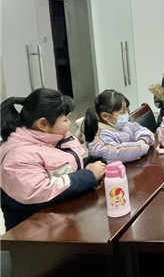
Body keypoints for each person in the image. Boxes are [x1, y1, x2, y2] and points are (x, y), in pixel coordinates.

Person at [0, 88, 106, 230]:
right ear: (43, 124)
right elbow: (41, 191)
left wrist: (93, 162)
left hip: (62, 221)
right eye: (65, 119)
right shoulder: (17, 156)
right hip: (34, 233)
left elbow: (65, 168)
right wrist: (89, 175)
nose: (69, 123)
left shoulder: (50, 138)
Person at [78, 89, 154, 163]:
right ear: (105, 116)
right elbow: (116, 152)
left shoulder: (123, 125)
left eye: (126, 110)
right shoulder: (100, 137)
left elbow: (141, 129)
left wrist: (142, 140)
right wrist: (140, 147)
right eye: (122, 112)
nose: (126, 115)